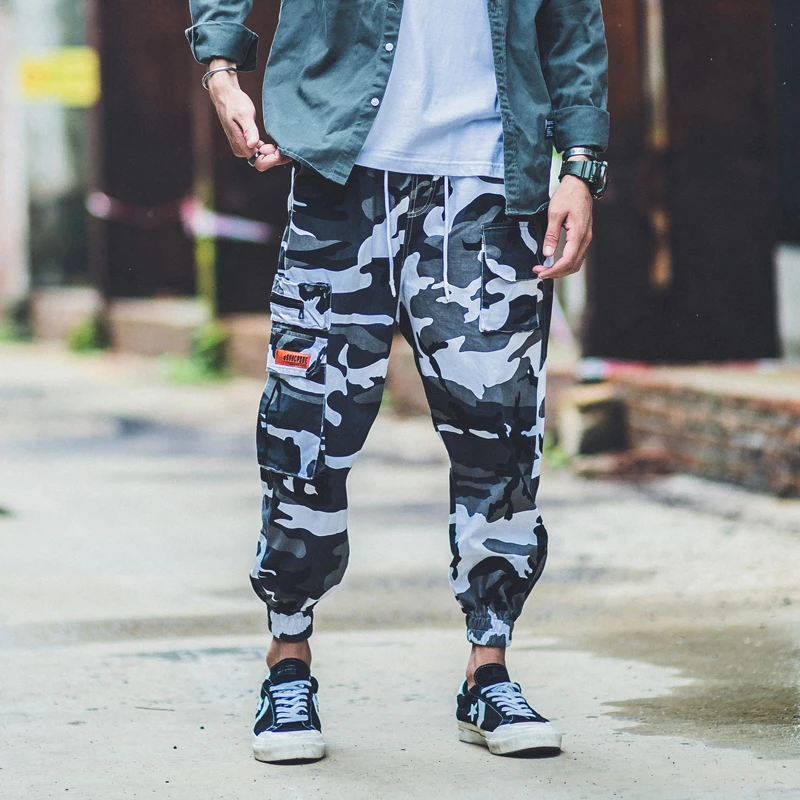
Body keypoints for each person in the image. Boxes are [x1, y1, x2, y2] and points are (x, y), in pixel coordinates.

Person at [187, 0, 609, 763]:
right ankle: (288, 661)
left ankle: (488, 671)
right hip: (341, 174)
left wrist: (581, 165)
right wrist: (221, 70)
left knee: (501, 434)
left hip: (489, 185)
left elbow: (573, 20)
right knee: (307, 429)